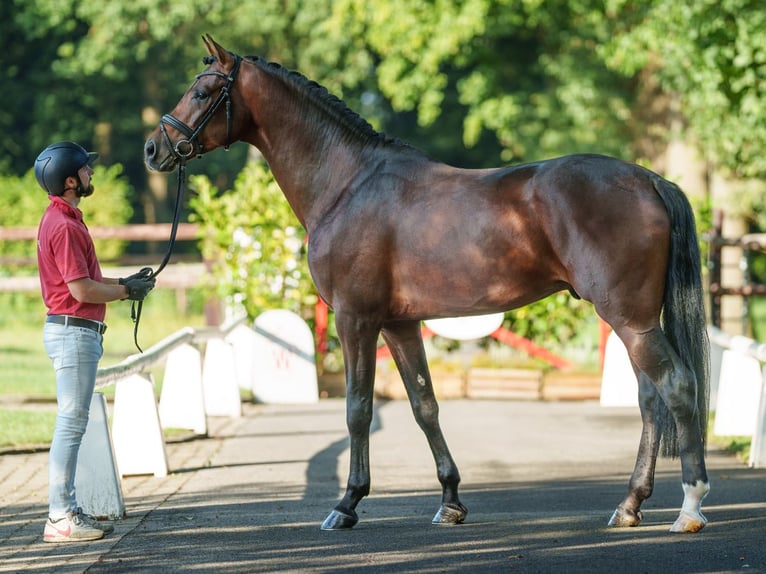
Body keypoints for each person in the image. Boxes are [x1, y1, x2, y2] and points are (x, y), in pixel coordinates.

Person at [34, 141, 156, 543]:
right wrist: (125, 294)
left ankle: (66, 509)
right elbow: (82, 289)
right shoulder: (65, 227)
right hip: (73, 332)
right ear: (70, 181)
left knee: (73, 424)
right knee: (70, 425)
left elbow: (89, 280)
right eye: (85, 170)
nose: (91, 174)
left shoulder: (60, 218)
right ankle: (60, 517)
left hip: (73, 331)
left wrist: (126, 284)